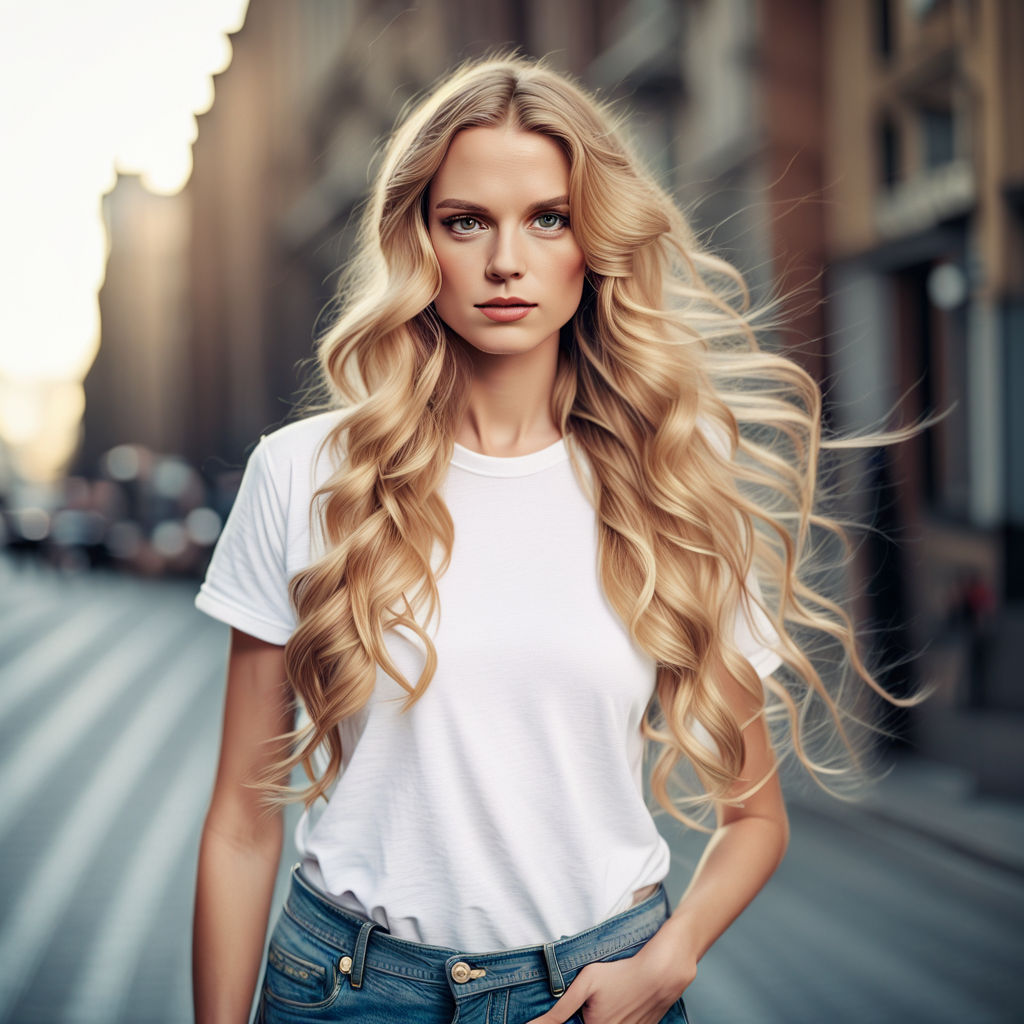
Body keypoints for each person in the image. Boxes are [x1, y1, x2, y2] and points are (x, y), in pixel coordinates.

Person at [191, 55, 905, 1024]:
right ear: (418, 241)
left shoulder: (670, 487)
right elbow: (241, 820)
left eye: (548, 218)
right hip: (349, 991)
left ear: (592, 242)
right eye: (465, 221)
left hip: (595, 990)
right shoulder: (306, 472)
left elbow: (753, 817)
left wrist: (667, 959)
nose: (504, 261)